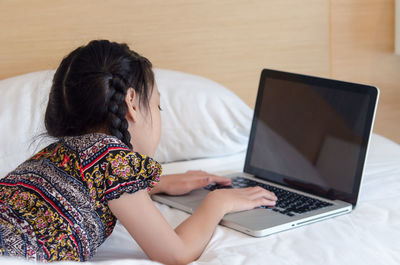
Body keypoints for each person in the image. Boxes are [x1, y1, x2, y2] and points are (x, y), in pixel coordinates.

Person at [0, 40, 277, 264]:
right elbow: (176, 253)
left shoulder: (53, 154)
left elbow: (92, 188)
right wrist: (219, 202)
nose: (158, 114)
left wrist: (158, 183)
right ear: (131, 102)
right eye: (158, 107)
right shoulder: (114, 158)